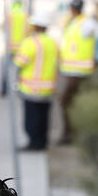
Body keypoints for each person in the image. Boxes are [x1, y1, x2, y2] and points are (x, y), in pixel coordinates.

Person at [13, 11, 58, 151]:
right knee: (44, 118)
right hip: (48, 88)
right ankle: (42, 143)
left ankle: (34, 144)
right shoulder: (52, 42)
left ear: (35, 26)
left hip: (32, 89)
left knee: (32, 120)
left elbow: (19, 62)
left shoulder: (31, 42)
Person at [57, 0, 96, 145]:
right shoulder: (75, 23)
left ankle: (70, 134)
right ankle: (73, 134)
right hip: (72, 72)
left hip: (79, 73)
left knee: (66, 102)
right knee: (71, 103)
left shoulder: (86, 23)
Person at [0, 0, 27, 97]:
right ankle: (19, 90)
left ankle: (4, 89)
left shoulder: (9, 16)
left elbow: (2, 29)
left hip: (9, 48)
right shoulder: (26, 16)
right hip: (22, 49)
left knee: (6, 69)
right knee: (20, 71)